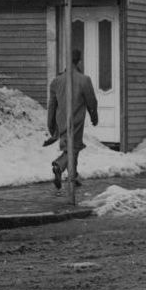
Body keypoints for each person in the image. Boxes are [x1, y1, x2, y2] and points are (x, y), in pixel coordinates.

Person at [47, 48, 98, 190]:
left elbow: (51, 106)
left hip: (61, 121)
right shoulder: (84, 80)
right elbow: (91, 101)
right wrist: (94, 117)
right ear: (79, 61)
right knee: (73, 148)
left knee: (70, 148)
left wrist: (51, 125)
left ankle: (73, 176)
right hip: (76, 120)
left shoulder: (56, 81)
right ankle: (59, 165)